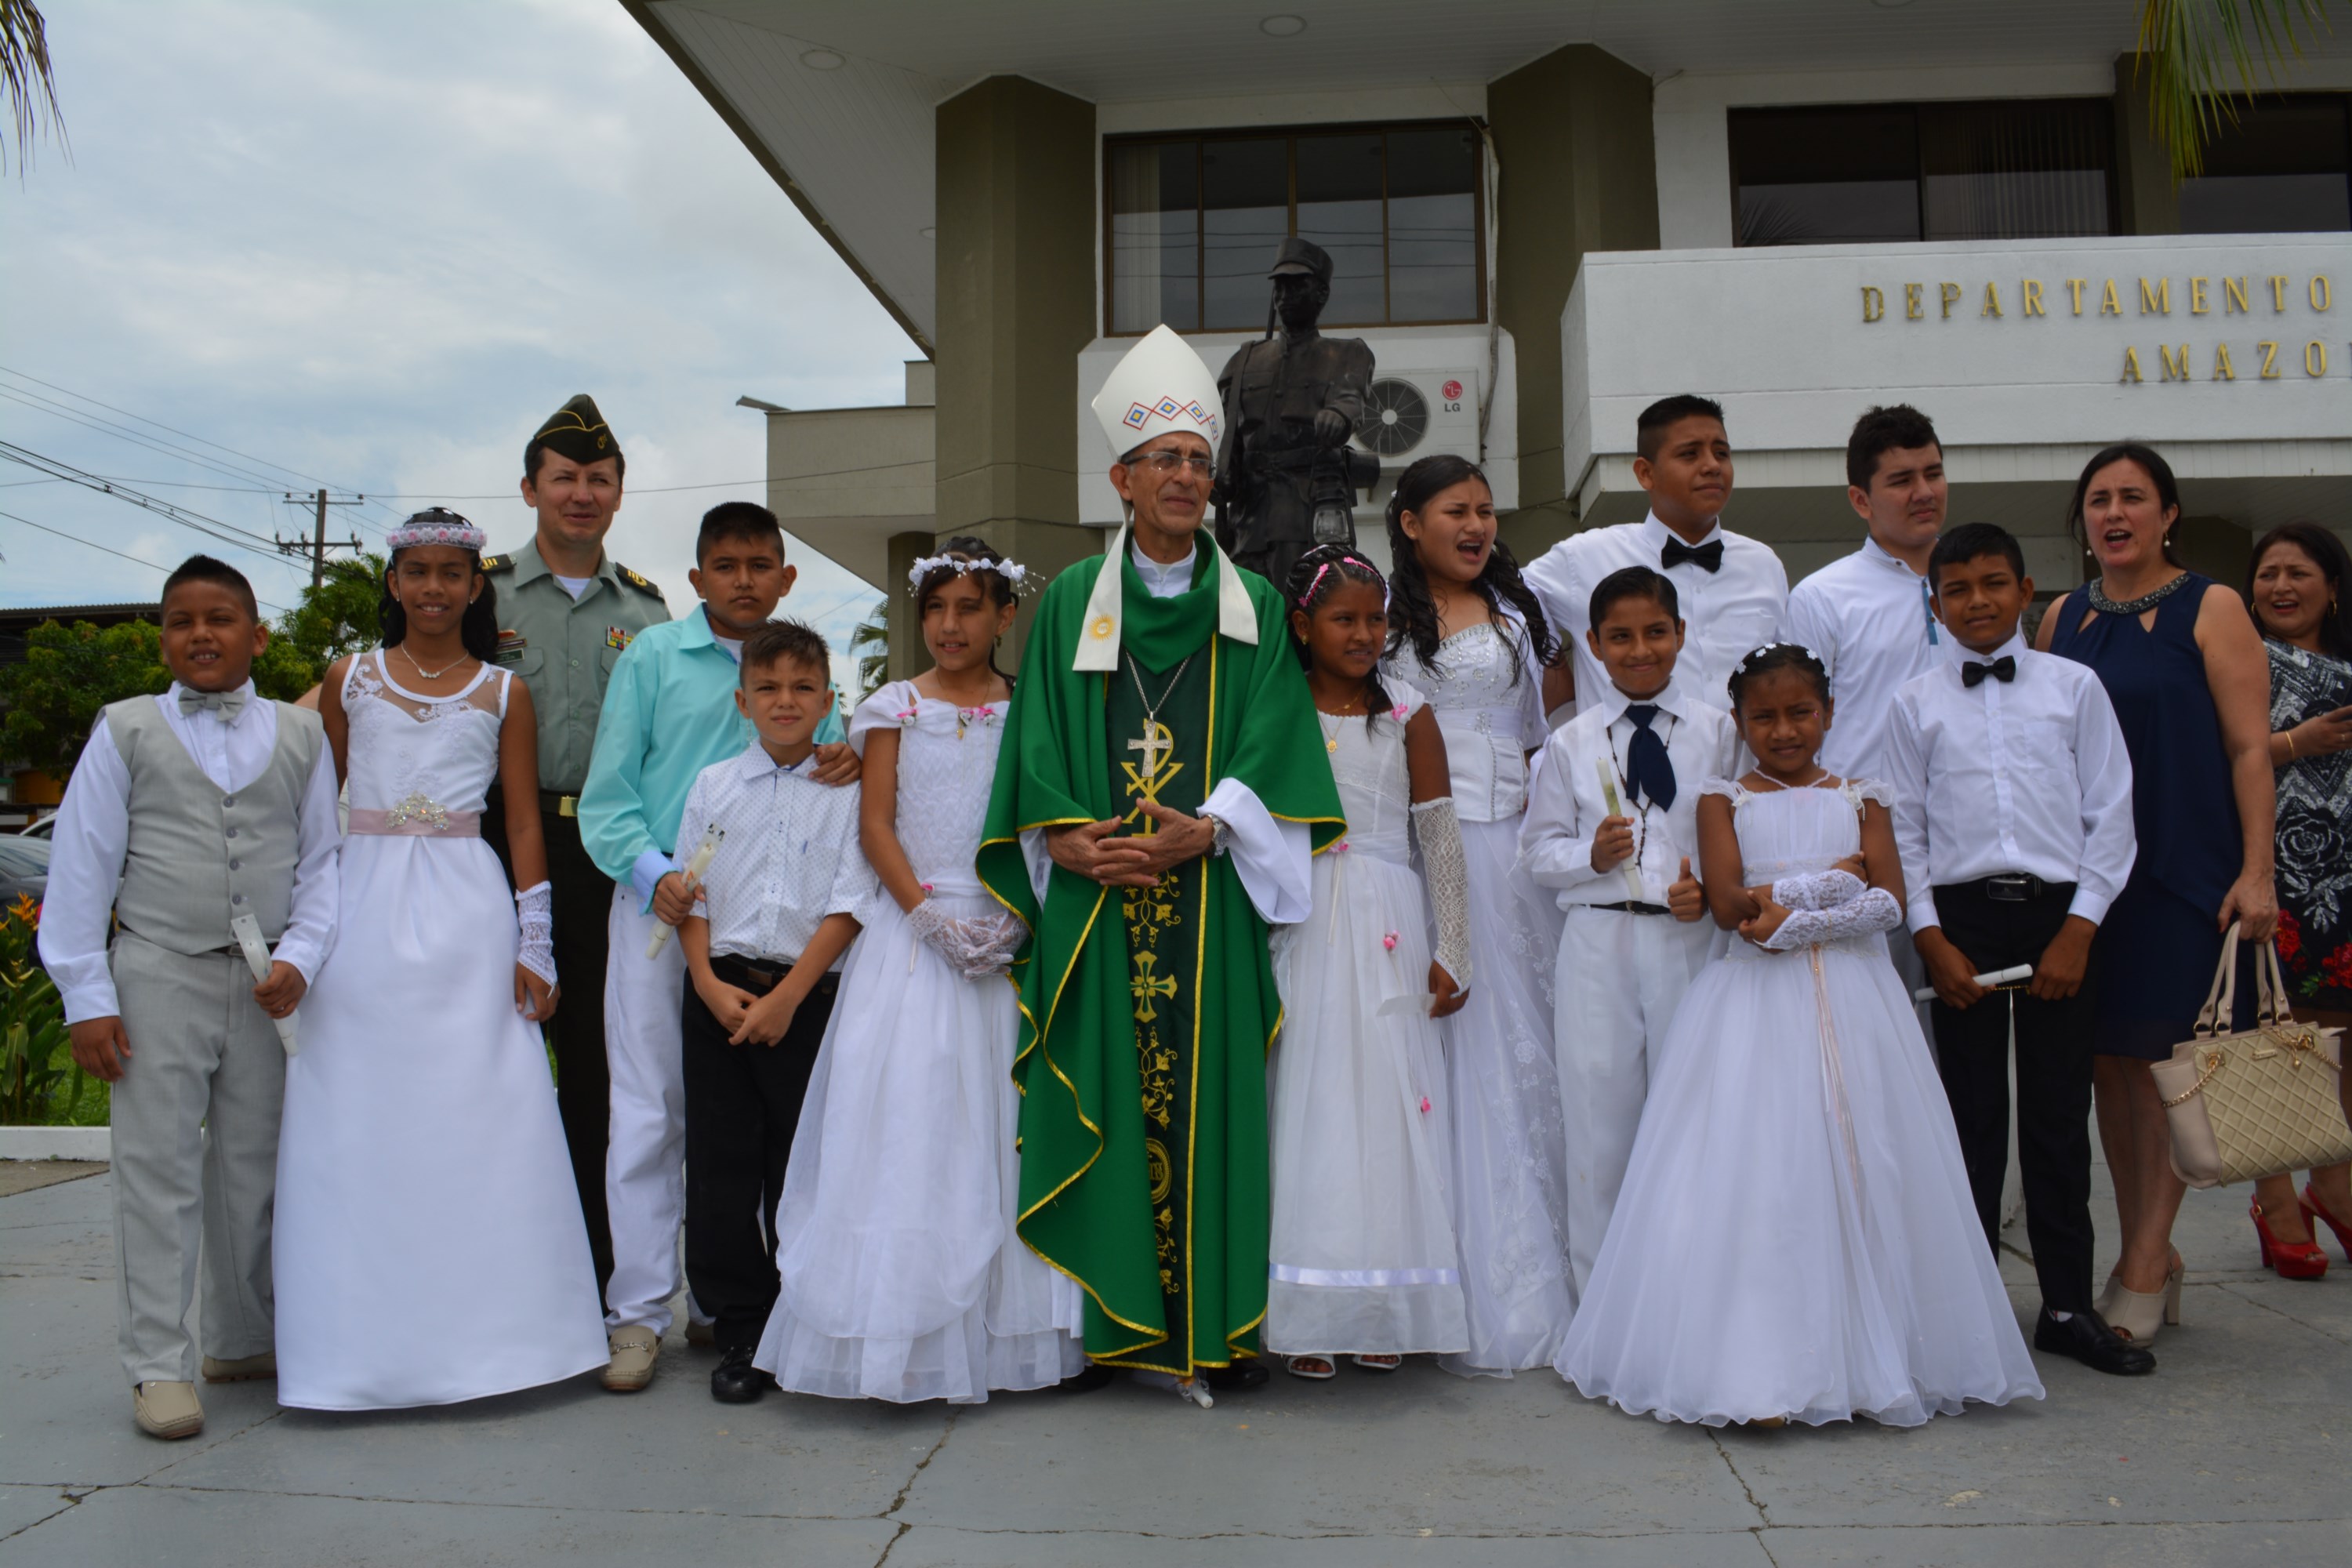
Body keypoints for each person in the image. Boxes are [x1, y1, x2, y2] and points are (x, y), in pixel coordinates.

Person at [976, 325, 1345, 1406]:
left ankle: (1217, 1330)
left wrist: (1218, 825)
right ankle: (1111, 1331)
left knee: (1218, 1101)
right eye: (1164, 462)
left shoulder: (1259, 610)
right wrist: (1064, 837)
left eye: (1197, 461)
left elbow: (1281, 743)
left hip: (1208, 896)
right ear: (1122, 479)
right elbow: (1034, 743)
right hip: (1104, 904)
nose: (1184, 478)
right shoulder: (1066, 610)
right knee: (1104, 1088)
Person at [1555, 644, 2042, 1428]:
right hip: (1755, 1006)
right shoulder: (1724, 799)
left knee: (1867, 1154)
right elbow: (1727, 907)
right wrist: (1816, 887)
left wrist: (1796, 908)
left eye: (1800, 713)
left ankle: (1879, 1352)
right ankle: (1764, 1365)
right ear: (1741, 723)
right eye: (1764, 717)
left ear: (1830, 712)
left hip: (1856, 999)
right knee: (1767, 1166)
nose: (1784, 730)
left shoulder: (1863, 796)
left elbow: (1889, 902)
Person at [274, 510, 607, 1410]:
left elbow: (526, 819)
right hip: (363, 903)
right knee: (361, 1117)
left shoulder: (505, 691)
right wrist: (305, 930)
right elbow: (322, 807)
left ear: (473, 587)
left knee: (477, 1116)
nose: (431, 588)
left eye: (448, 573)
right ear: (393, 582)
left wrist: (534, 938)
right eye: (414, 571)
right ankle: (354, 1344)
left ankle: (498, 1340)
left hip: (466, 904)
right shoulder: (350, 678)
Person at [757, 543, 1086, 1403]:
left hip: (1008, 926)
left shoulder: (1030, 711)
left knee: (1001, 1123)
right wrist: (931, 917)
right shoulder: (891, 706)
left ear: (1005, 616)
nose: (950, 625)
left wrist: (1017, 914)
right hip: (914, 933)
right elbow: (876, 826)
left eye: (971, 607)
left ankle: (1011, 1333)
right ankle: (898, 1332)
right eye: (936, 609)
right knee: (909, 1120)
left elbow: (1040, 825)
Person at [39, 555, 342, 1439]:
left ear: (258, 634)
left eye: (220, 618)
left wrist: (305, 956)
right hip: (157, 969)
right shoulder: (125, 727)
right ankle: (158, 1365)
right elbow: (80, 868)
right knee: (157, 1169)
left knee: (256, 1166)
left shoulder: (300, 734)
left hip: (265, 986)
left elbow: (323, 861)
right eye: (181, 620)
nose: (200, 634)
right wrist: (86, 997)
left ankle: (242, 1335)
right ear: (164, 636)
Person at [577, 502, 853, 1394]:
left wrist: (848, 756)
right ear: (698, 578)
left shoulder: (811, 675)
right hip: (665, 912)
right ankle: (640, 1311)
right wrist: (653, 870)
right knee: (653, 1108)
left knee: (769, 1131)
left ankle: (737, 1311)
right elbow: (609, 794)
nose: (744, 578)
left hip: (776, 942)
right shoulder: (654, 654)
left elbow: (842, 790)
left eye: (761, 563)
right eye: (726, 564)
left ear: (786, 576)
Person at [1886, 522, 2149, 1376]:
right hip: (1959, 920)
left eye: (1993, 583)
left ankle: (2067, 1304)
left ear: (2026, 589)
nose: (1977, 601)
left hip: (2059, 917)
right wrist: (1928, 933)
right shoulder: (1913, 702)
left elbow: (2111, 812)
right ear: (1935, 605)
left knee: (2055, 1117)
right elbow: (1903, 828)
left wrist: (2081, 926)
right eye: (1956, 589)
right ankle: (1972, 1315)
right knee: (1969, 1121)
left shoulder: (2075, 688)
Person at [2038, 443, 2278, 1348]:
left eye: (2133, 497)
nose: (2114, 513)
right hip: (2098, 877)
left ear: (2168, 512)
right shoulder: (2060, 617)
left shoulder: (2212, 606)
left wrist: (2258, 872)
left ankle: (2143, 1259)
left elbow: (2252, 748)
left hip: (2189, 870)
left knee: (2169, 1069)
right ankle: (2152, 1248)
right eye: (2098, 499)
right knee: (2111, 1066)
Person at [1380, 452, 1573, 1376]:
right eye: (1457, 510)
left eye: (1488, 511)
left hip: (1512, 845)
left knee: (1523, 1036)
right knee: (1431, 1047)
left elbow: (1542, 730)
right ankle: (1427, 1271)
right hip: (1419, 848)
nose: (1478, 526)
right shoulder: (1382, 620)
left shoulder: (1519, 610)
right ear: (1410, 521)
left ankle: (1544, 1267)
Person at [1266, 544, 1474, 1381]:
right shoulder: (1275, 707)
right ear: (1303, 625)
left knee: (1389, 1104)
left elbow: (1439, 830)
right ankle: (1309, 1305)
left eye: (1375, 618)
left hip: (1388, 913)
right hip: (1303, 913)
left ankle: (1385, 1298)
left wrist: (1453, 941)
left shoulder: (1410, 712)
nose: (1362, 633)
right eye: (1344, 618)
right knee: (1309, 1101)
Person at [480, 394, 670, 1294]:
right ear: (531, 487)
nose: (582, 493)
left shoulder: (649, 607)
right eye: (565, 477)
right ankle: (494, 1257)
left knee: (596, 1061)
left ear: (620, 493)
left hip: (601, 857)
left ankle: (591, 1268)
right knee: (490, 1049)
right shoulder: (479, 593)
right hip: (488, 845)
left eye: (599, 479)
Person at [662, 622, 873, 1404]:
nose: (786, 701)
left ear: (826, 697)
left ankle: (801, 1316)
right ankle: (740, 1322)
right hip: (719, 989)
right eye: (770, 687)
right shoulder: (715, 783)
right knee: (720, 1165)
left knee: (801, 1163)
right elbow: (692, 890)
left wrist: (788, 998)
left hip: (807, 997)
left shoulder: (851, 787)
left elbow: (853, 902)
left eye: (803, 687)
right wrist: (708, 984)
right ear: (742, 698)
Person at [1518, 565, 1733, 1303]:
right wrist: (1590, 855)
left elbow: (1742, 834)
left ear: (1679, 634)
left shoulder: (1719, 733)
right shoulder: (1571, 744)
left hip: (1688, 942)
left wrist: (1709, 890)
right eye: (1620, 637)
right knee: (1599, 1124)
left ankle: (1691, 1296)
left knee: (1692, 1121)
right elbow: (1538, 853)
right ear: (1595, 645)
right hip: (1599, 943)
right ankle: (1604, 1308)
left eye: (1654, 633)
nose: (1639, 650)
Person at [1524, 394, 1787, 715]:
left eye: (1721, 453)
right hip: (1626, 762)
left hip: (1744, 763)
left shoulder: (1763, 564)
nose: (1712, 466)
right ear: (1645, 473)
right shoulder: (1584, 557)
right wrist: (1557, 685)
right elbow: (1501, 599)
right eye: (1690, 454)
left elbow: (1784, 676)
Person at [2241, 521, 2352, 1276]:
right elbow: (2219, 754)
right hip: (2270, 874)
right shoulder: (2239, 659)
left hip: (2345, 877)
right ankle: (2277, 1200)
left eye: (2299, 573)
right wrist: (2294, 743)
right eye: (2268, 573)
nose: (2281, 586)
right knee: (2280, 1044)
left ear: (2334, 588)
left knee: (2341, 1046)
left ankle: (2335, 1189)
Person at [1780, 405, 1949, 782]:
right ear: (1860, 500)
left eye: (1933, 474)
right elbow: (1800, 723)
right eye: (1902, 481)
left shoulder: (1980, 583)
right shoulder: (1821, 597)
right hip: (1865, 822)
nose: (1924, 493)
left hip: (1971, 818)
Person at [1212, 236, 1377, 587]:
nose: (1285, 295)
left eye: (1296, 286)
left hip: (1307, 505)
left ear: (1321, 294)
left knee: (1304, 598)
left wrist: (1339, 416)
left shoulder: (1346, 354)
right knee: (1245, 604)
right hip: (1249, 514)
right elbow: (1227, 435)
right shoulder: (1243, 361)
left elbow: (1350, 396)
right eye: (1280, 287)